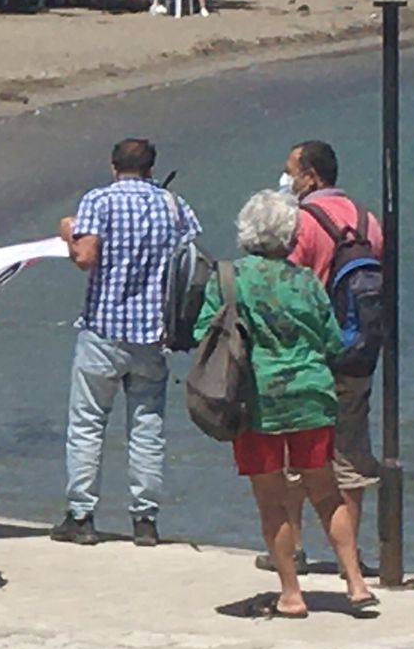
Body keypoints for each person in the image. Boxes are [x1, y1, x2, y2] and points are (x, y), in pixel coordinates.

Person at [195, 191, 376, 620]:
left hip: (257, 403)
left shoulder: (228, 279)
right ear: (290, 234)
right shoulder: (306, 282)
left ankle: (292, 594)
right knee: (327, 494)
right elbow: (333, 341)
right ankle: (356, 583)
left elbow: (205, 331)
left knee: (272, 501)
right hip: (311, 397)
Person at [53, 137, 196, 548]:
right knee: (147, 427)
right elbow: (189, 256)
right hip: (153, 333)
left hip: (104, 328)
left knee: (87, 424)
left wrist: (68, 233)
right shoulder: (172, 205)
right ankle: (145, 519)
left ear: (114, 167)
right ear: (151, 168)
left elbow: (85, 257)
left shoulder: (98, 201)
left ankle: (81, 515)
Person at [272, 139, 384, 575]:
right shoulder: (367, 219)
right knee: (352, 454)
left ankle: (294, 548)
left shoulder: (302, 222)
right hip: (357, 354)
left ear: (310, 176)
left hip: (311, 355)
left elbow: (289, 285)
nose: (287, 179)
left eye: (291, 171)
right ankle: (350, 555)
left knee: (298, 453)